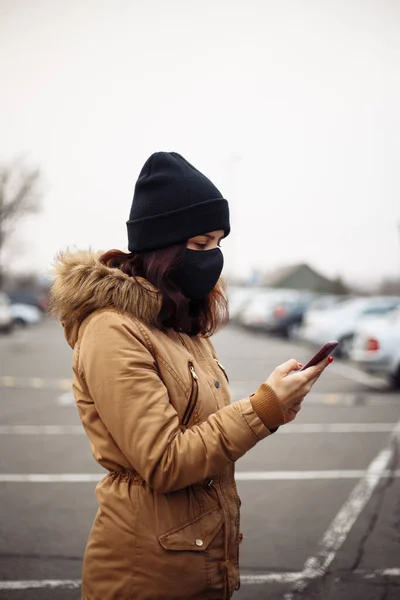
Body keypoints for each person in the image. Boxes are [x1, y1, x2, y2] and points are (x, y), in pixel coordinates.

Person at [50, 152, 332, 600]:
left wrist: (278, 402)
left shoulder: (180, 325)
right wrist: (262, 408)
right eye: (201, 244)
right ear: (162, 246)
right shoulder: (112, 330)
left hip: (198, 564)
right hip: (143, 575)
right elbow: (165, 462)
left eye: (218, 243)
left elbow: (207, 432)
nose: (213, 257)